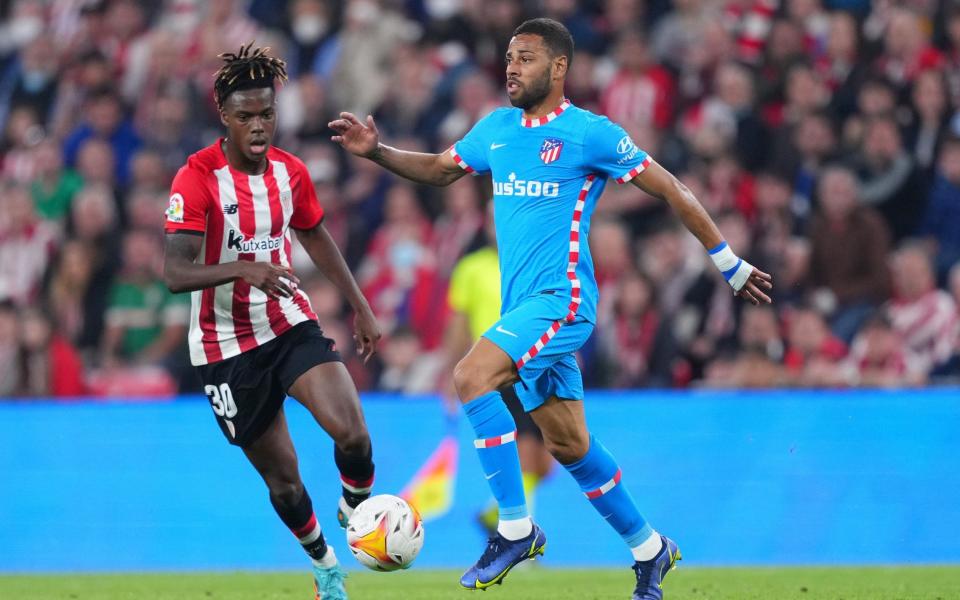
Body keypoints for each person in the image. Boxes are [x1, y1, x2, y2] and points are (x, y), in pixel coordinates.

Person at [330, 18, 773, 599]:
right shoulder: (496, 130)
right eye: (509, 57)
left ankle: (515, 528)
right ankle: (650, 550)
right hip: (525, 306)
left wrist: (729, 262)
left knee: (471, 375)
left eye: (526, 58)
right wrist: (377, 151)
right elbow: (440, 169)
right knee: (568, 445)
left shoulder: (591, 135)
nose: (512, 67)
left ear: (558, 67)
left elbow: (671, 189)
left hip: (562, 302)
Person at [163, 43, 381, 600]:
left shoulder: (290, 172)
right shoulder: (197, 179)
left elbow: (313, 233)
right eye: (246, 117)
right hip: (224, 349)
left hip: (287, 323)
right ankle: (326, 568)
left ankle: (355, 514)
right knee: (284, 482)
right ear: (224, 117)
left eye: (267, 114)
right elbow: (174, 272)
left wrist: (359, 304)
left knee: (353, 435)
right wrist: (243, 269)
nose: (258, 127)